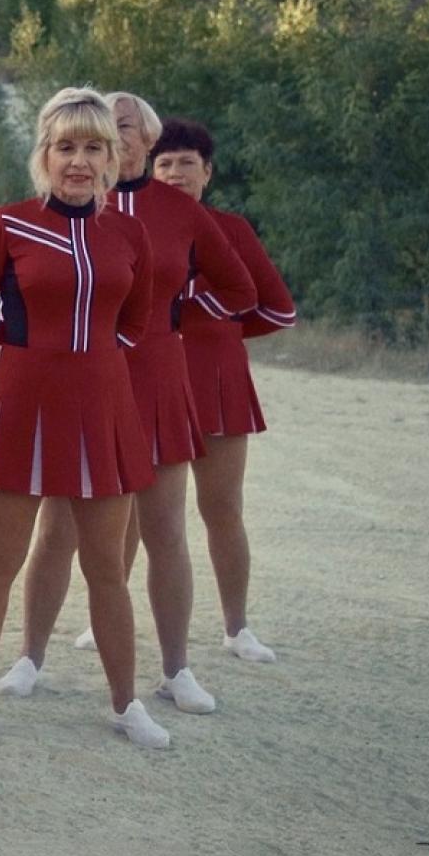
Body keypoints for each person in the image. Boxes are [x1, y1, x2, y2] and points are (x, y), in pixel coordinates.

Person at [0, 93, 255, 713]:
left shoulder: (179, 210)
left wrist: (172, 319)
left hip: (157, 380)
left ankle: (176, 668)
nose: (112, 136)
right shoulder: (65, 207)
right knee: (57, 529)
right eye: (100, 128)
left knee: (165, 529)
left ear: (142, 141)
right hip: (84, 383)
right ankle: (31, 656)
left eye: (123, 128)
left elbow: (241, 288)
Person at [0, 88, 170, 748]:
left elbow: (135, 322)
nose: (79, 160)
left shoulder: (129, 232)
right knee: (0, 558)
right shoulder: (11, 223)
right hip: (22, 403)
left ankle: (126, 702)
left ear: (115, 156)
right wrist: (13, 331)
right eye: (65, 146)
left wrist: (86, 364)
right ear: (44, 153)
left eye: (93, 147)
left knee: (107, 567)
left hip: (102, 407)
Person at [151, 116, 295, 663]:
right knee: (137, 514)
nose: (174, 173)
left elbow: (278, 308)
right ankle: (106, 617)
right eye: (163, 163)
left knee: (222, 509)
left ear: (207, 172)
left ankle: (237, 628)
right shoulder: (130, 224)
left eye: (186, 163)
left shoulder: (232, 230)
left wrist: (215, 326)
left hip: (217, 381)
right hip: (150, 383)